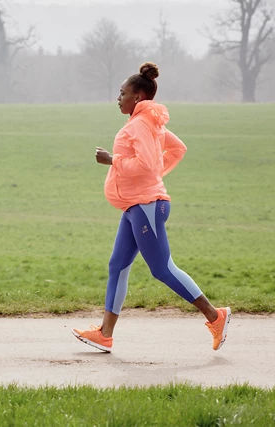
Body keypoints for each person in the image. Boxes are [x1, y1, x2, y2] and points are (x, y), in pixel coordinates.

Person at [72, 62, 230, 353]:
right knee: (117, 266)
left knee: (162, 269)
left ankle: (215, 316)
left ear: (138, 98)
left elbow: (146, 164)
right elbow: (176, 149)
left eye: (122, 93)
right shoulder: (148, 123)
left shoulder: (141, 124)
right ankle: (105, 334)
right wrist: (154, 177)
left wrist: (113, 161)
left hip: (145, 206)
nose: (118, 98)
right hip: (135, 206)